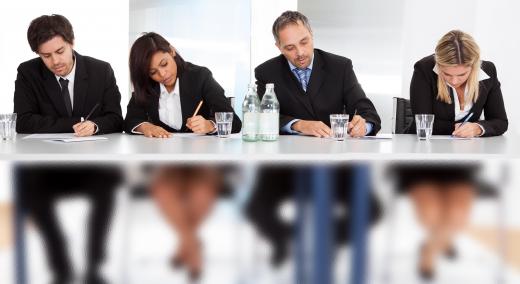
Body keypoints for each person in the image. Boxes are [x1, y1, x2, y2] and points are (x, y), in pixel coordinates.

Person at [246, 11, 382, 266]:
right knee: (256, 209)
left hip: (334, 164)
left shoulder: (340, 66)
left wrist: (364, 125)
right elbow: (260, 116)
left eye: (304, 42)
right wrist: (297, 124)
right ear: (278, 47)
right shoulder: (266, 71)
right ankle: (286, 244)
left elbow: (367, 111)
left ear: (312, 35)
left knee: (371, 209)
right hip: (285, 165)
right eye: (289, 47)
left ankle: (329, 246)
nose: (299, 52)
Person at [14, 14, 123, 284]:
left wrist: (96, 126)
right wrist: (74, 123)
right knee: (29, 188)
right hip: (48, 168)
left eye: (60, 51)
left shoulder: (101, 70)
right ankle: (61, 264)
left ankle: (93, 266)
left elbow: (116, 117)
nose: (55, 62)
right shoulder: (28, 73)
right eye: (46, 56)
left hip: (91, 166)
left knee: (109, 186)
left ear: (72, 42)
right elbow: (24, 121)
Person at [125, 32, 241, 280]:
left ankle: (186, 245)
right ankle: (191, 244)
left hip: (203, 160)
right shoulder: (146, 88)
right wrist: (145, 127)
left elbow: (235, 121)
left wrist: (210, 124)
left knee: (200, 192)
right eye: (153, 72)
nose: (162, 75)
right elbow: (130, 120)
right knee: (164, 191)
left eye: (164, 64)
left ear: (173, 51)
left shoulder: (200, 77)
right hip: (164, 162)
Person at [402, 30, 508, 280]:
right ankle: (439, 241)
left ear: (474, 65)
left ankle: (433, 245)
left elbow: (500, 121)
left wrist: (479, 127)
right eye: (447, 73)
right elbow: (422, 122)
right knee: (431, 212)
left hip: (462, 158)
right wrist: (461, 129)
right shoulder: (424, 69)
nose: (454, 80)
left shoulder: (488, 72)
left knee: (459, 212)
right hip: (422, 153)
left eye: (461, 74)